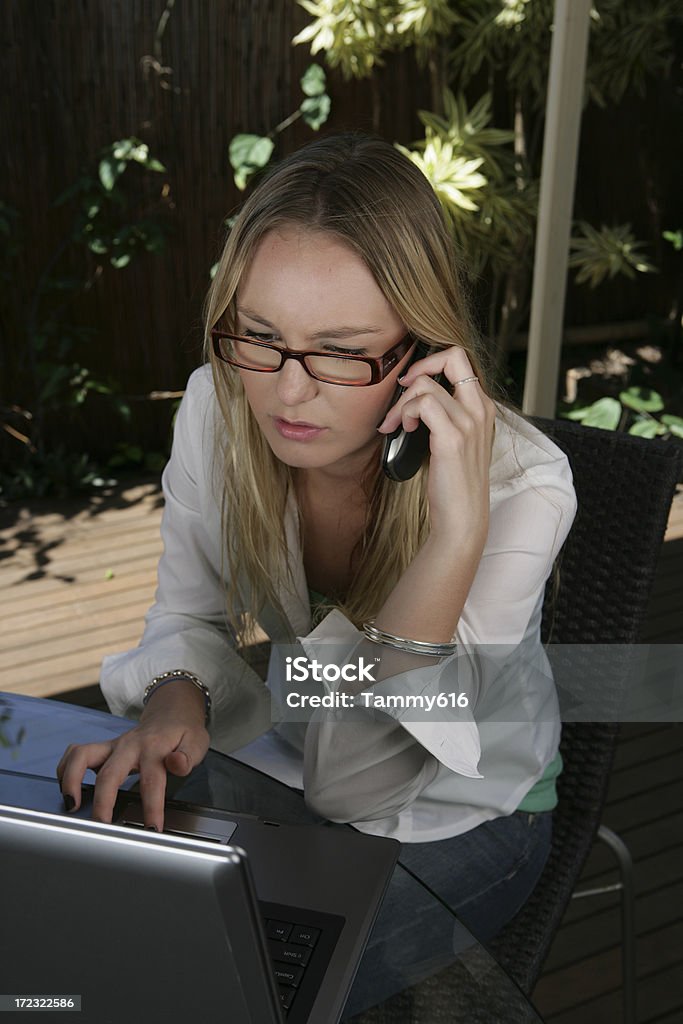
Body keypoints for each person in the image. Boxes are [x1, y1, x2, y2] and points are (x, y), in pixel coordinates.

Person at [57, 132, 577, 1015]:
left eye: (339, 351)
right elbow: (187, 616)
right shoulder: (216, 406)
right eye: (260, 335)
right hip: (293, 757)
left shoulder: (521, 491)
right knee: (90, 937)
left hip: (468, 813)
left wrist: (452, 539)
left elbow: (359, 786)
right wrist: (176, 693)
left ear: (421, 353)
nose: (287, 395)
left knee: (223, 991)